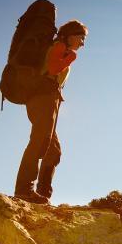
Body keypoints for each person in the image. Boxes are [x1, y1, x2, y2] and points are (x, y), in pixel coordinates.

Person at [14, 19, 88, 204]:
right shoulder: (59, 47)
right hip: (43, 98)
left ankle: (43, 194)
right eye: (81, 38)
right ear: (70, 35)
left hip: (48, 99)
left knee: (53, 150)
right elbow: (54, 68)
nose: (82, 43)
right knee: (39, 141)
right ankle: (24, 190)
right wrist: (70, 57)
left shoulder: (61, 48)